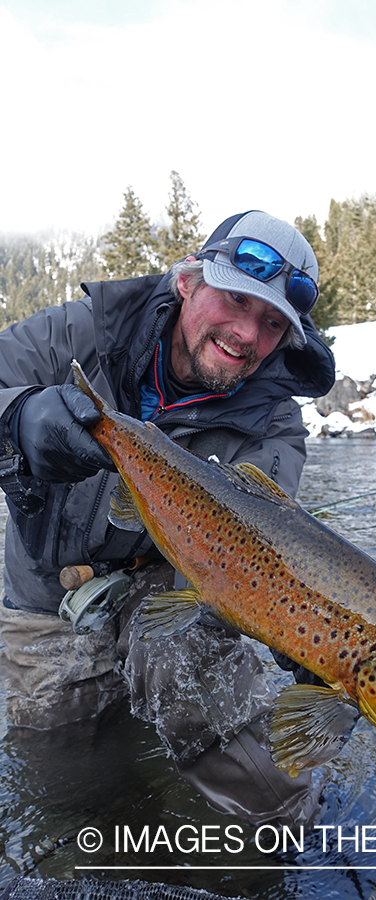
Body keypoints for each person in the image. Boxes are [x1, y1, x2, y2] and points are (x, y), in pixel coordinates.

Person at [0, 210, 336, 826]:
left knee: (195, 677)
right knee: (61, 772)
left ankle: (285, 844)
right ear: (188, 282)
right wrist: (16, 420)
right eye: (235, 299)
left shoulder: (276, 425)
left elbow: (268, 547)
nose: (245, 334)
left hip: (170, 581)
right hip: (43, 593)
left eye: (271, 323)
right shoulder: (80, 335)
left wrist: (294, 623)